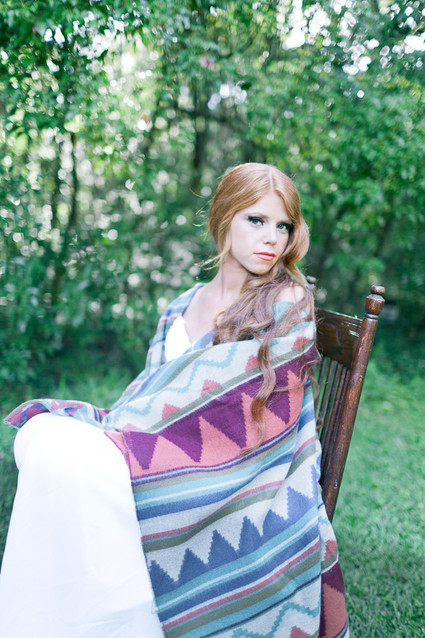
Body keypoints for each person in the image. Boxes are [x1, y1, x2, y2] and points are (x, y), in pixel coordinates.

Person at [0, 163, 349, 637]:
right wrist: (123, 432)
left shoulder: (285, 300)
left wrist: (133, 441)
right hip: (153, 447)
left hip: (225, 470)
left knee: (61, 452)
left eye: (283, 225)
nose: (272, 238)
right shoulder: (182, 304)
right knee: (43, 436)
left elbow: (255, 414)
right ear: (224, 217)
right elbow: (150, 392)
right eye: (256, 220)